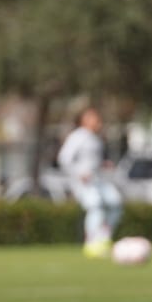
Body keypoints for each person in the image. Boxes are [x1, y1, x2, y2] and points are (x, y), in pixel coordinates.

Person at [57, 107, 122, 258]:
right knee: (95, 205)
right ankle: (91, 242)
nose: (97, 121)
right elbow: (64, 159)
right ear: (84, 120)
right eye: (93, 118)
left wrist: (103, 164)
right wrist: (78, 173)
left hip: (97, 179)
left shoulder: (95, 138)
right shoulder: (77, 136)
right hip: (83, 182)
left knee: (115, 203)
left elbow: (92, 161)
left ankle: (104, 238)